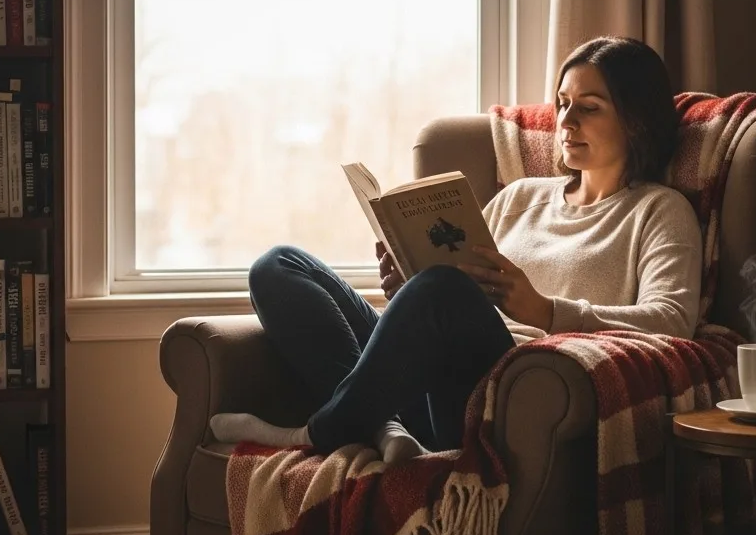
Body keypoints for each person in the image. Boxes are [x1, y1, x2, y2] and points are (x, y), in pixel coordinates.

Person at [209, 35, 703, 461]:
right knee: (278, 266)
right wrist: (407, 286)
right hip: (419, 376)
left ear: (637, 121)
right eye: (563, 103)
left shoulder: (659, 210)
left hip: (496, 393)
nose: (566, 121)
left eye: (589, 107)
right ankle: (385, 428)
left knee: (444, 289)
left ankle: (319, 432)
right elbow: (449, 288)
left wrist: (546, 311)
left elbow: (673, 321)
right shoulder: (521, 197)